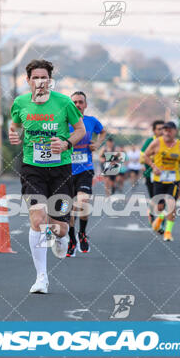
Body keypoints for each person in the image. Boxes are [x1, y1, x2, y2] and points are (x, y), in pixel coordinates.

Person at [9, 59, 86, 294]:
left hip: (61, 169)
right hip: (32, 168)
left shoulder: (63, 102)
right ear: (28, 80)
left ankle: (62, 237)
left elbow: (81, 131)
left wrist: (65, 143)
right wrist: (14, 136)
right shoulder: (20, 102)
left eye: (44, 78)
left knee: (60, 228)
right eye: (35, 78)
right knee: (38, 218)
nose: (40, 82)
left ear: (50, 80)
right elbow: (14, 127)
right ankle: (41, 277)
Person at [67, 91, 106, 257]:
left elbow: (103, 132)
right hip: (65, 169)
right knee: (67, 208)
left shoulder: (91, 121)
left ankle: (81, 233)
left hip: (85, 167)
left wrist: (97, 144)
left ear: (85, 105)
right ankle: (71, 239)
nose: (77, 105)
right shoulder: (63, 121)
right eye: (74, 102)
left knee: (83, 202)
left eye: (80, 102)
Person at [144, 121, 180, 241]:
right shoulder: (157, 142)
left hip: (174, 179)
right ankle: (160, 217)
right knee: (160, 205)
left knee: (171, 203)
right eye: (165, 130)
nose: (167, 132)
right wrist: (154, 167)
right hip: (159, 178)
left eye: (169, 130)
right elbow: (145, 156)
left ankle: (168, 232)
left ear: (175, 131)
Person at [140, 120, 165, 225]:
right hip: (151, 174)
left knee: (163, 198)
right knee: (154, 198)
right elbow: (142, 157)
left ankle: (160, 220)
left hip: (165, 175)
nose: (162, 131)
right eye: (159, 129)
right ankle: (152, 213)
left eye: (163, 129)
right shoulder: (150, 141)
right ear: (154, 131)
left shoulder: (168, 141)